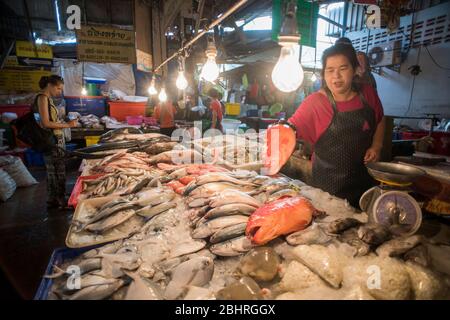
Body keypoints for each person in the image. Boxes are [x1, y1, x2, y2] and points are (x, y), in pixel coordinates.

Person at [287, 43, 386, 207]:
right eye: (330, 70)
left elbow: (380, 119)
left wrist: (377, 146)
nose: (336, 76)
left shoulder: (368, 93)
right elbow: (289, 129)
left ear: (354, 70)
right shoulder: (315, 102)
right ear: (323, 74)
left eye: (343, 68)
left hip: (364, 183)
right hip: (327, 189)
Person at [34, 75, 78, 209]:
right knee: (56, 172)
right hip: (51, 141)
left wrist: (63, 123)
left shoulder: (48, 99)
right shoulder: (42, 98)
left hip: (56, 139)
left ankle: (56, 198)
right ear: (50, 85)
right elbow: (46, 123)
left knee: (58, 170)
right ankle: (60, 201)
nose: (60, 91)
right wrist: (68, 125)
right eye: (58, 88)